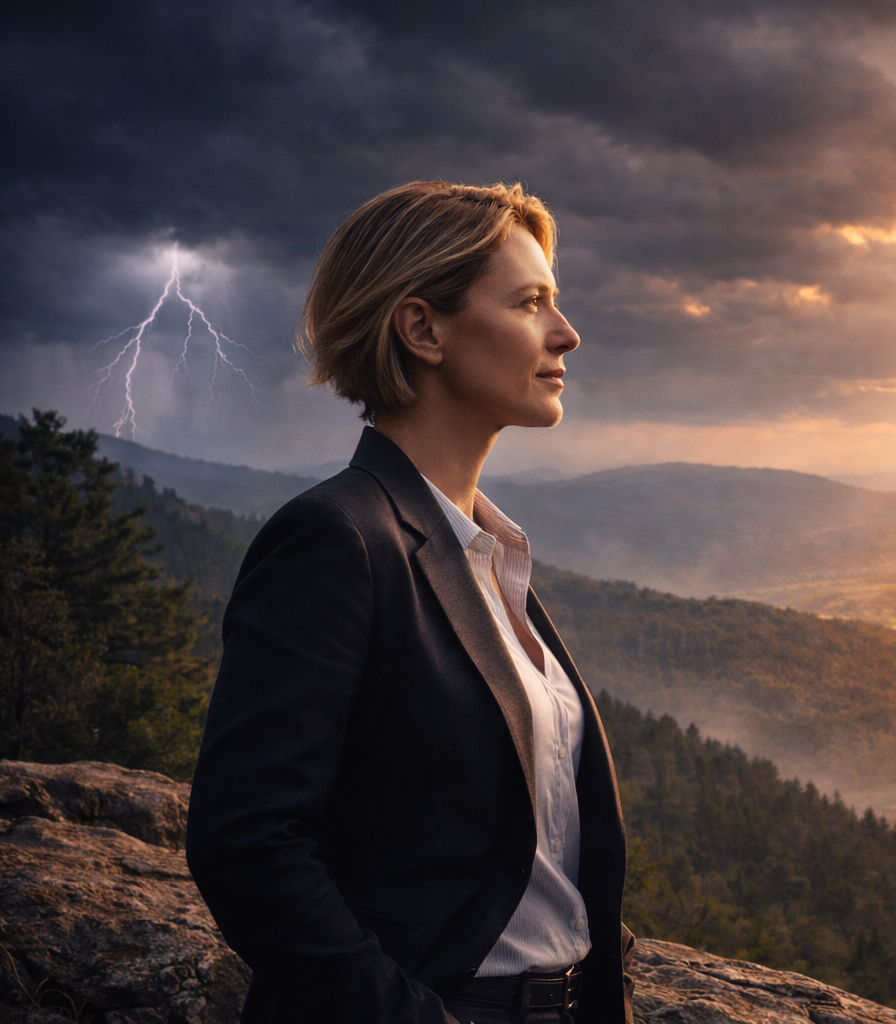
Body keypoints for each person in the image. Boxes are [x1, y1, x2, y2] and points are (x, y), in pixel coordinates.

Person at [186, 181, 631, 1024]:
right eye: (530, 302)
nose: (566, 332)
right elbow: (245, 843)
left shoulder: (491, 556)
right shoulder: (337, 540)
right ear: (423, 329)